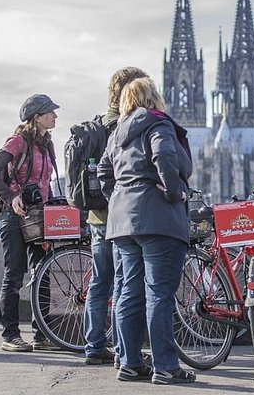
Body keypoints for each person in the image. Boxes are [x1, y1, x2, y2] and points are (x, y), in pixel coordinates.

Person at [98, 77, 196, 384]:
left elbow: (102, 171)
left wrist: (119, 196)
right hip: (157, 219)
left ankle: (129, 362)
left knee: (129, 292)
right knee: (159, 294)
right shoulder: (158, 123)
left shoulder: (118, 133)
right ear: (153, 97)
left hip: (122, 223)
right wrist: (172, 191)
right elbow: (165, 156)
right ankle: (166, 367)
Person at [83, 67, 149, 367]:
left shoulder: (98, 123)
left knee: (100, 282)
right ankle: (124, 352)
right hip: (119, 217)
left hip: (96, 217)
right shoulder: (123, 125)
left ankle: (94, 345)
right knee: (124, 284)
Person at [0, 94, 60, 352]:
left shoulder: (47, 145)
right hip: (14, 216)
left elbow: (46, 182)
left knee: (43, 274)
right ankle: (11, 335)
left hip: (39, 217)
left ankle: (42, 335)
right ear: (36, 116)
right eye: (50, 112)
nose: (55, 116)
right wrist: (12, 196)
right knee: (14, 275)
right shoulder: (17, 141)